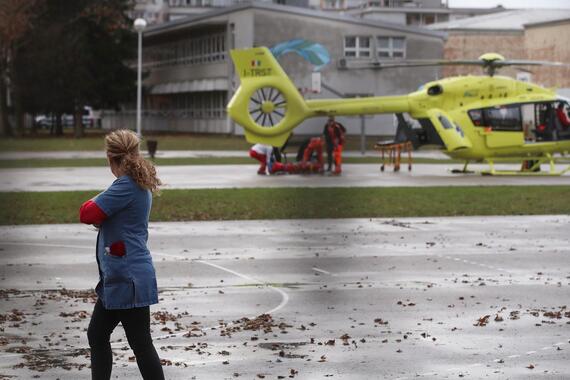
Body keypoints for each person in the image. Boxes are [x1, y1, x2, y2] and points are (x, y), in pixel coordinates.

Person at [79, 129, 164, 380]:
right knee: (98, 334)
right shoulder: (131, 183)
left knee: (140, 342)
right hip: (120, 275)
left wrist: (99, 202)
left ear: (110, 157)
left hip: (128, 277)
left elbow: (86, 213)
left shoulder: (125, 186)